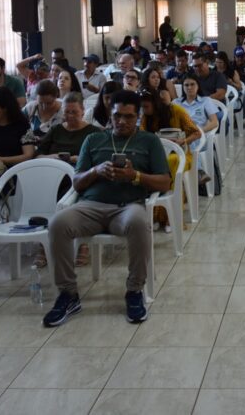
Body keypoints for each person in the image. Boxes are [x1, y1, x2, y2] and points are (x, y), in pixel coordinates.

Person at [43, 91, 170, 327]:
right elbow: (77, 182)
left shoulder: (149, 141)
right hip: (91, 206)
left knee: (140, 224)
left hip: (128, 206)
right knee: (58, 223)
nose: (122, 121)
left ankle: (134, 291)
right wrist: (95, 171)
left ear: (138, 117)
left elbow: (165, 182)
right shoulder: (93, 140)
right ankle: (68, 294)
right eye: (117, 116)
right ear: (110, 115)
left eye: (129, 117)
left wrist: (136, 176)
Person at [33, 92, 100, 268]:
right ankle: (44, 242)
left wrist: (77, 159)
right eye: (66, 112)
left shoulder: (92, 133)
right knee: (47, 194)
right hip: (54, 176)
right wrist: (54, 156)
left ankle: (83, 244)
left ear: (82, 111)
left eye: (74, 112)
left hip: (80, 176)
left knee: (77, 194)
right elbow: (38, 154)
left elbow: (98, 160)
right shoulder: (56, 130)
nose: (69, 116)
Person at [141, 88, 206, 200]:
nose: (144, 110)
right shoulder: (146, 117)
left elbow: (196, 133)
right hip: (156, 153)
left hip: (181, 153)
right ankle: (149, 198)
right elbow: (142, 135)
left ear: (155, 103)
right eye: (141, 107)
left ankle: (172, 199)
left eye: (146, 107)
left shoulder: (176, 110)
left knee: (172, 160)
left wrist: (183, 141)